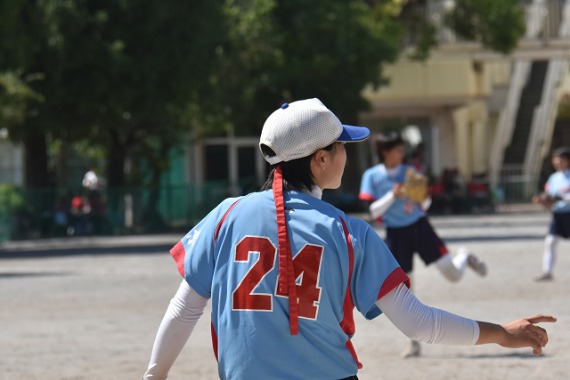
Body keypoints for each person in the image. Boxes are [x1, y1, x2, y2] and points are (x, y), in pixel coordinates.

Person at [143, 99, 555, 380]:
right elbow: (419, 323)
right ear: (320, 159)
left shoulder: (225, 214)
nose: (346, 154)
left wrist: (154, 375)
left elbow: (184, 310)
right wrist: (501, 332)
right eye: (341, 146)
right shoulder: (347, 230)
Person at [359, 132, 488, 358]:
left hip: (420, 227)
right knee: (405, 290)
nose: (401, 154)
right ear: (385, 152)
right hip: (396, 235)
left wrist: (420, 197)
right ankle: (414, 343)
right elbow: (372, 211)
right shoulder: (372, 176)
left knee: (453, 275)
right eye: (397, 149)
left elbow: (426, 203)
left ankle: (465, 256)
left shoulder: (411, 173)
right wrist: (392, 194)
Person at [532, 146, 570, 281]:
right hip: (558, 215)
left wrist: (559, 198)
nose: (558, 162)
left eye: (561, 159)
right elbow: (549, 196)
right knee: (550, 242)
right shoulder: (554, 177)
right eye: (556, 159)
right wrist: (543, 200)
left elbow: (563, 197)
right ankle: (547, 272)